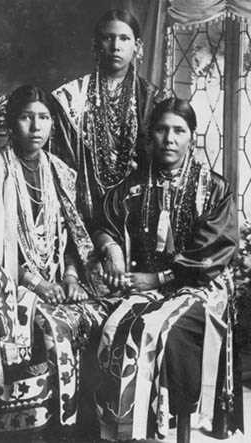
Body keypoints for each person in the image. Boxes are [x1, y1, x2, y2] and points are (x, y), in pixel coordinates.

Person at [93, 97, 241, 440]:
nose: (169, 139)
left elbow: (211, 254)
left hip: (202, 285)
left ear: (192, 136)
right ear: (150, 136)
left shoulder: (214, 189)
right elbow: (105, 221)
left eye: (179, 130)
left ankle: (170, 429)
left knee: (161, 330)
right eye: (161, 129)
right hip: (145, 285)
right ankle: (122, 431)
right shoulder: (132, 186)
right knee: (114, 326)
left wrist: (160, 277)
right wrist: (111, 248)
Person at [0, 85, 109, 436]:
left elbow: (76, 236)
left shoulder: (61, 172)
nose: (36, 127)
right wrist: (36, 283)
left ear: (52, 125)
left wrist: (72, 279)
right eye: (26, 117)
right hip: (6, 282)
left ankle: (77, 430)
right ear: (12, 124)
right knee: (44, 329)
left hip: (60, 280)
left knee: (104, 316)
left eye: (43, 118)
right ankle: (31, 432)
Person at [52, 9, 161, 232]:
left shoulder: (154, 99)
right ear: (95, 45)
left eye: (124, 38)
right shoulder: (70, 97)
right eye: (108, 37)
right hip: (82, 211)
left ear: (137, 46)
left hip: (139, 211)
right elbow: (61, 165)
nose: (116, 46)